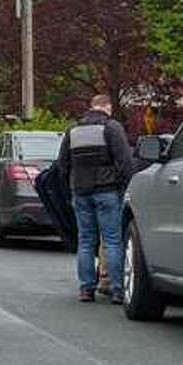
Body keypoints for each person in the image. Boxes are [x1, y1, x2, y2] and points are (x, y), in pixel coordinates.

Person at [55, 94, 132, 304]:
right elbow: (125, 161)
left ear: (91, 107)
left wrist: (70, 189)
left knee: (86, 240)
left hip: (80, 192)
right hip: (107, 191)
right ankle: (118, 289)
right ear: (107, 108)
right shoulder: (112, 127)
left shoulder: (73, 130)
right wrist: (124, 185)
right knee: (112, 241)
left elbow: (62, 165)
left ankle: (86, 289)